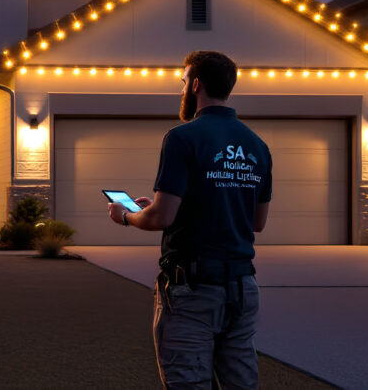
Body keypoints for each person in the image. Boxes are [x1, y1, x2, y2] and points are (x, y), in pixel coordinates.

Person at [107, 50, 272, 389]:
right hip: (242, 289)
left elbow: (160, 218)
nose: (181, 90)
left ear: (196, 85)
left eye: (183, 82)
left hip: (192, 291)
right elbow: (256, 222)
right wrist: (162, 206)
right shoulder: (258, 146)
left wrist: (127, 216)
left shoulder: (182, 138)